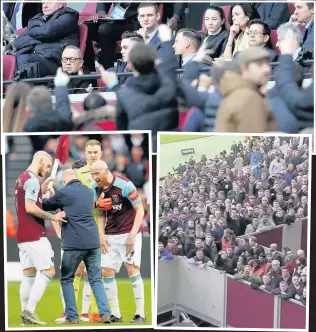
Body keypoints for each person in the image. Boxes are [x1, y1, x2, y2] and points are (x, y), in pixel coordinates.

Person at [42, 169, 111, 324]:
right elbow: (72, 205)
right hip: (93, 243)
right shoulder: (88, 192)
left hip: (73, 244)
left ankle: (72, 317)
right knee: (95, 280)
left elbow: (45, 205)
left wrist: (47, 192)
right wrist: (55, 195)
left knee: (67, 279)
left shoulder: (63, 192)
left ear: (65, 180)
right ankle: (105, 314)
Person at [99, 25, 179, 152]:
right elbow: (170, 65)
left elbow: (122, 129)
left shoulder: (124, 94)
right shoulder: (168, 82)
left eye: (126, 48)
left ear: (132, 63)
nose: (122, 51)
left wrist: (113, 86)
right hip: (172, 146)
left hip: (146, 150)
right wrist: (166, 41)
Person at [55, 140, 107, 323]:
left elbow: (103, 208)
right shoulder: (77, 174)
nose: (93, 155)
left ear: (101, 153)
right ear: (85, 153)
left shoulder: (106, 175)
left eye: (96, 152)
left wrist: (102, 232)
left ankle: (93, 313)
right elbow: (64, 200)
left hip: (98, 227)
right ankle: (71, 312)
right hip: (78, 228)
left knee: (94, 273)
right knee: (77, 271)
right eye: (90, 152)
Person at [14, 151, 66, 325]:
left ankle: (25, 316)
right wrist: (53, 217)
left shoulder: (21, 178)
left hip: (22, 235)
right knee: (48, 271)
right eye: (48, 165)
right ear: (41, 160)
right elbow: (30, 207)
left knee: (28, 275)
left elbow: (30, 200)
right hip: (34, 233)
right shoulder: (32, 180)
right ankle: (29, 311)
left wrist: (43, 188)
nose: (48, 169)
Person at [90, 160, 146, 323]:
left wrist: (133, 235)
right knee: (106, 272)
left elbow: (140, 209)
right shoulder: (95, 188)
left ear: (106, 171)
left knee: (132, 271)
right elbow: (100, 214)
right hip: (110, 236)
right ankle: (115, 314)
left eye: (97, 173)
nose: (94, 177)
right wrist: (100, 234)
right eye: (92, 174)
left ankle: (140, 314)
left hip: (129, 233)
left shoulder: (125, 185)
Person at [215, 47, 277, 132]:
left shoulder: (237, 91)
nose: (267, 69)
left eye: (267, 64)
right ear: (244, 69)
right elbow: (254, 142)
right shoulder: (249, 98)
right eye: (259, 65)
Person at [15, 2, 79, 78]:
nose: (45, 6)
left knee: (24, 60)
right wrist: (37, 40)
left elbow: (47, 31)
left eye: (49, 2)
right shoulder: (37, 19)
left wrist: (33, 35)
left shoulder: (68, 15)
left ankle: (26, 89)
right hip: (37, 56)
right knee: (11, 60)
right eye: (43, 3)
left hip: (57, 62)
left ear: (60, 4)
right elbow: (17, 43)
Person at [23, 68, 72, 136]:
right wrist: (60, 86)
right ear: (52, 106)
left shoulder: (25, 131)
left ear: (27, 111)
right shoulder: (61, 122)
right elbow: (63, 107)